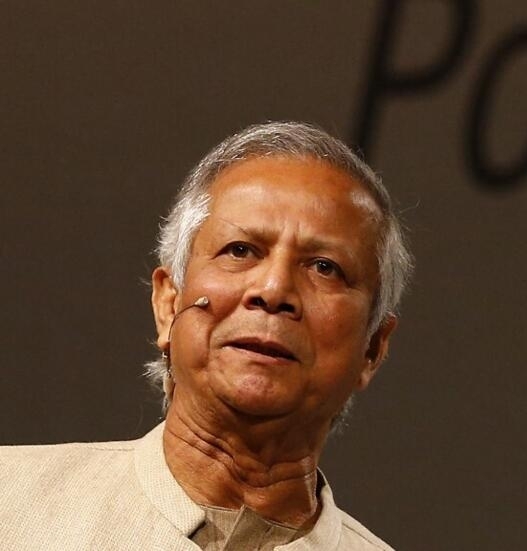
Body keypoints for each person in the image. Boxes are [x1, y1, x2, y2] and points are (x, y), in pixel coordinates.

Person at [0, 121, 412, 550]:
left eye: (324, 267)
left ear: (372, 348)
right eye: (240, 250)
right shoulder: (11, 504)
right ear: (168, 304)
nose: (273, 291)